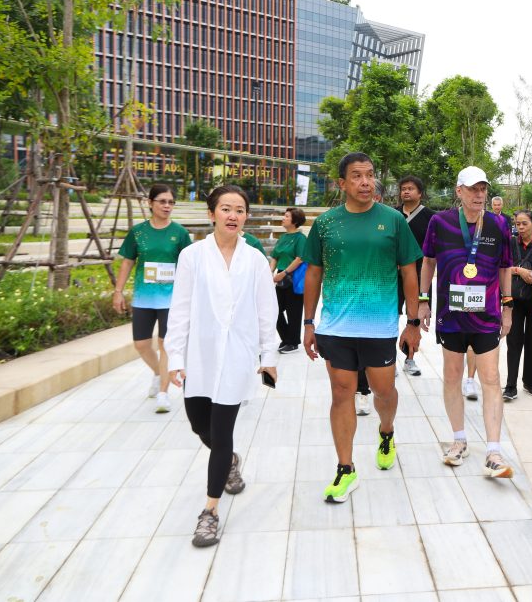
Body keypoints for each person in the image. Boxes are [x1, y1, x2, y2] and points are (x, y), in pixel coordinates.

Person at [302, 153, 423, 503]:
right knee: (342, 394)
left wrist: (412, 322)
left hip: (380, 327)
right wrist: (309, 322)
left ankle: (386, 431)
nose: (366, 182)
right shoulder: (326, 224)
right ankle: (346, 468)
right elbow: (314, 273)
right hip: (335, 327)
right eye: (357, 176)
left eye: (369, 175)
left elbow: (409, 272)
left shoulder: (393, 221)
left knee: (384, 391)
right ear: (342, 183)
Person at [164, 184, 279, 547]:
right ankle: (229, 460)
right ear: (211, 213)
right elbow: (180, 309)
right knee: (199, 425)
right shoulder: (192, 256)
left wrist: (269, 356)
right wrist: (175, 357)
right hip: (200, 355)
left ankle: (210, 511)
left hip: (237, 357)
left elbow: (267, 310)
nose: (233, 215)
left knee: (221, 431)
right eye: (226, 209)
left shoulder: (255, 259)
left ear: (246, 217)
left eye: (239, 210)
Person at [419, 165, 515, 478]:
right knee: (451, 375)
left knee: (491, 378)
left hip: (486, 315)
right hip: (451, 315)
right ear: (459, 191)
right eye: (473, 189)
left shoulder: (499, 224)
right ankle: (459, 441)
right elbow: (428, 262)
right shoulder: (440, 222)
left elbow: (505, 267)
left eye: (483, 189)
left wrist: (508, 307)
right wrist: (423, 300)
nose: (479, 194)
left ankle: (494, 451)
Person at [113, 183, 192, 413]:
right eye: (162, 201)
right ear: (150, 203)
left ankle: (164, 393)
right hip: (143, 298)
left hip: (171, 299)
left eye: (171, 202)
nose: (167, 206)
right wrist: (118, 291)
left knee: (165, 344)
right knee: (141, 344)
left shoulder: (179, 233)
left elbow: (189, 264)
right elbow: (128, 261)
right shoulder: (138, 232)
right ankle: (158, 373)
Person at [504, 210, 532, 400]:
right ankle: (510, 386)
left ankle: (530, 382)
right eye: (518, 224)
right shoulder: (510, 242)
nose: (520, 227)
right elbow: (501, 268)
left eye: (524, 223)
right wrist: (518, 270)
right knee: (513, 342)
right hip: (514, 299)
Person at [354, 179, 388, 416]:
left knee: (374, 350)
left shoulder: (391, 222)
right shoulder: (344, 222)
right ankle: (362, 391)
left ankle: (374, 387)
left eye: (374, 194)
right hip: (351, 299)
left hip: (380, 301)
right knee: (356, 348)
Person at [396, 175, 435, 376]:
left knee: (415, 318)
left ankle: (410, 359)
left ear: (420, 193)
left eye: (410, 188)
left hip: (420, 275)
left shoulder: (431, 217)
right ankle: (388, 360)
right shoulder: (392, 215)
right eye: (403, 188)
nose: (406, 191)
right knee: (390, 316)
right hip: (393, 274)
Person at [270, 207, 307, 353]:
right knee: (274, 309)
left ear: (295, 221)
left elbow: (299, 259)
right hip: (281, 275)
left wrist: (284, 273)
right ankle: (287, 338)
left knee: (294, 311)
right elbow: (275, 256)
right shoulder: (283, 238)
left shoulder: (300, 238)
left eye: (286, 216)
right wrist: (270, 272)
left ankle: (293, 343)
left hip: (294, 276)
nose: (283, 218)